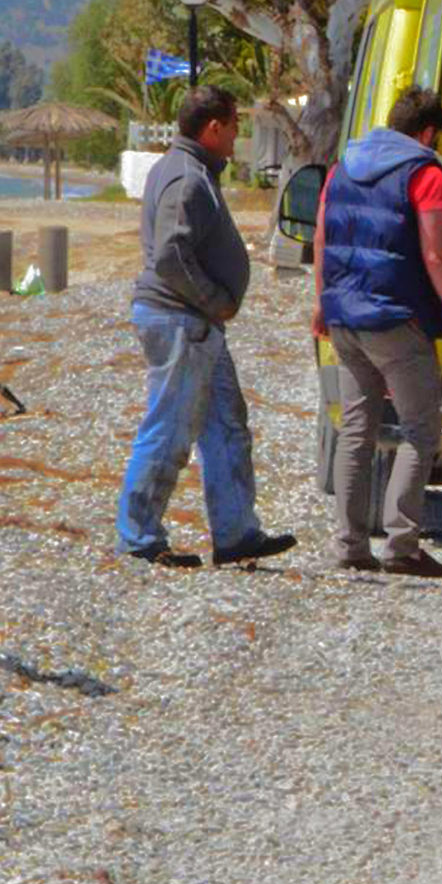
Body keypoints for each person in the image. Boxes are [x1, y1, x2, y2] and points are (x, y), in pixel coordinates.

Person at [119, 86, 297, 568]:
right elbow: (171, 255)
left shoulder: (190, 172)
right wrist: (215, 301)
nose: (239, 133)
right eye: (235, 124)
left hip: (195, 324)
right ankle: (140, 538)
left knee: (226, 424)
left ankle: (237, 532)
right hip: (182, 320)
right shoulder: (185, 178)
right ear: (213, 127)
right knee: (170, 427)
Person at [312, 85, 442, 577]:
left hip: (343, 318)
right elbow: (436, 254)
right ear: (429, 131)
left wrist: (320, 304)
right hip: (396, 319)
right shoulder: (424, 171)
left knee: (356, 429)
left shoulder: (343, 166)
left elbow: (321, 236)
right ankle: (402, 547)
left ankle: (350, 545)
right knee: (420, 429)